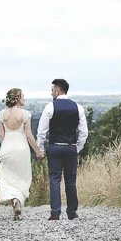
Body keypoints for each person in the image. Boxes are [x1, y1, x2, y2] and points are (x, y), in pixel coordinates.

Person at [36, 78, 88, 220]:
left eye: (52, 90)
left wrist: (40, 149)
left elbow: (41, 131)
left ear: (58, 91)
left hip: (55, 147)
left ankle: (55, 212)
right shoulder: (78, 107)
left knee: (54, 179)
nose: (51, 92)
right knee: (71, 180)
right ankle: (72, 212)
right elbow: (84, 133)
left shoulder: (50, 107)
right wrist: (77, 148)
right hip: (71, 147)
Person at [0, 88, 44, 220]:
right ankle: (18, 201)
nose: (25, 98)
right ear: (17, 98)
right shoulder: (25, 114)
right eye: (23, 96)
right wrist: (38, 151)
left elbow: (1, 135)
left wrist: (3, 149)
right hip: (21, 149)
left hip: (7, 148)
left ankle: (15, 202)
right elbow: (29, 135)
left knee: (8, 177)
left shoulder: (2, 114)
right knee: (21, 177)